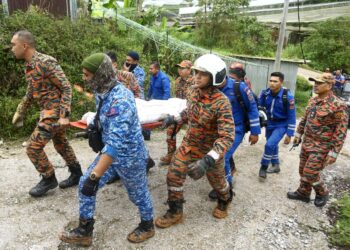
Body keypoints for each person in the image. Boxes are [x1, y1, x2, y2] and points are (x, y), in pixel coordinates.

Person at [59, 53, 155, 246]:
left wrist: (96, 176)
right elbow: (103, 119)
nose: (84, 79)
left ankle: (147, 225)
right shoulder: (102, 91)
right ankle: (85, 231)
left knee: (138, 194)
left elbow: (116, 144)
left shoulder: (121, 99)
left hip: (129, 156)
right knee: (85, 184)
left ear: (100, 74)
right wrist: (93, 128)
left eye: (87, 75)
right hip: (109, 155)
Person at [155, 54, 235, 229]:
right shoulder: (191, 91)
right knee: (173, 175)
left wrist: (208, 160)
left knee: (218, 184)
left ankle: (225, 199)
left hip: (210, 152)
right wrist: (174, 118)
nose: (196, 76)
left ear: (214, 78)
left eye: (203, 74)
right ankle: (175, 212)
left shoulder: (222, 103)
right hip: (189, 145)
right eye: (196, 72)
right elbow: (188, 112)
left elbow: (227, 136)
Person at [11, 30, 82, 197]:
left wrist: (64, 115)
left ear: (24, 45)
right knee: (61, 143)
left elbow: (66, 87)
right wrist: (20, 111)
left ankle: (49, 177)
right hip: (47, 113)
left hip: (55, 114)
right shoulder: (29, 66)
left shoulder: (46, 62)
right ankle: (77, 173)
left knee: (32, 147)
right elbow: (31, 92)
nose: (12, 48)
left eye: (14, 45)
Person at [287, 73, 348, 207]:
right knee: (302, 169)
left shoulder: (339, 105)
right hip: (307, 142)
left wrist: (334, 152)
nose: (316, 85)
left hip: (322, 146)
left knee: (310, 172)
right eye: (315, 82)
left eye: (320, 83)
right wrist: (298, 134)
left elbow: (341, 131)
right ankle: (303, 193)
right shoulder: (313, 100)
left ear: (330, 85)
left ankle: (322, 192)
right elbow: (305, 119)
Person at [208, 67, 261, 199]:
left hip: (235, 129)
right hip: (216, 129)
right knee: (214, 156)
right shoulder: (210, 86)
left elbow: (252, 108)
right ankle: (228, 172)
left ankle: (227, 186)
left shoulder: (240, 87)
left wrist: (255, 132)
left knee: (222, 156)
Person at [105, 51, 155, 184]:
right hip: (114, 112)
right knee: (117, 141)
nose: (128, 62)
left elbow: (133, 91)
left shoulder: (132, 74)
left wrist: (126, 74)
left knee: (132, 140)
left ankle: (145, 161)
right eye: (126, 59)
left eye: (130, 60)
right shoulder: (104, 78)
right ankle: (117, 169)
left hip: (133, 107)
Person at [258, 72, 296, 178]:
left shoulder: (288, 96)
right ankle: (276, 165)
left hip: (281, 125)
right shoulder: (265, 93)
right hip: (269, 124)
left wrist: (289, 134)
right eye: (270, 81)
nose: (272, 83)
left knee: (269, 145)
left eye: (275, 81)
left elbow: (292, 116)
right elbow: (259, 108)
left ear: (281, 82)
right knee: (272, 144)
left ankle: (263, 167)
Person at [159, 60, 194, 166]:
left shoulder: (194, 82)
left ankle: (193, 158)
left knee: (193, 136)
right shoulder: (178, 80)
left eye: (182, 68)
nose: (180, 70)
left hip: (192, 113)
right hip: (179, 113)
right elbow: (177, 98)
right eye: (179, 68)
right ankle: (170, 155)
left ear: (189, 70)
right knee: (170, 132)